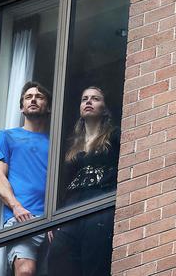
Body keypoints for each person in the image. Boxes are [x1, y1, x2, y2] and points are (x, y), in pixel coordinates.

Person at [47, 86, 120, 276]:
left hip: (99, 204)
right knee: (57, 256)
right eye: (84, 98)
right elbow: (60, 186)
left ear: (104, 108)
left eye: (95, 98)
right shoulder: (71, 146)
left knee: (94, 259)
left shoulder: (114, 137)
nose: (88, 101)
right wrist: (54, 218)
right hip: (71, 208)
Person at [0, 81, 52, 276]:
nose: (33, 99)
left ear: (49, 106)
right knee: (25, 271)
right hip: (22, 217)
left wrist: (57, 217)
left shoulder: (56, 142)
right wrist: (16, 206)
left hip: (52, 220)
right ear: (21, 107)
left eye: (39, 96)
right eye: (28, 97)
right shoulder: (7, 136)